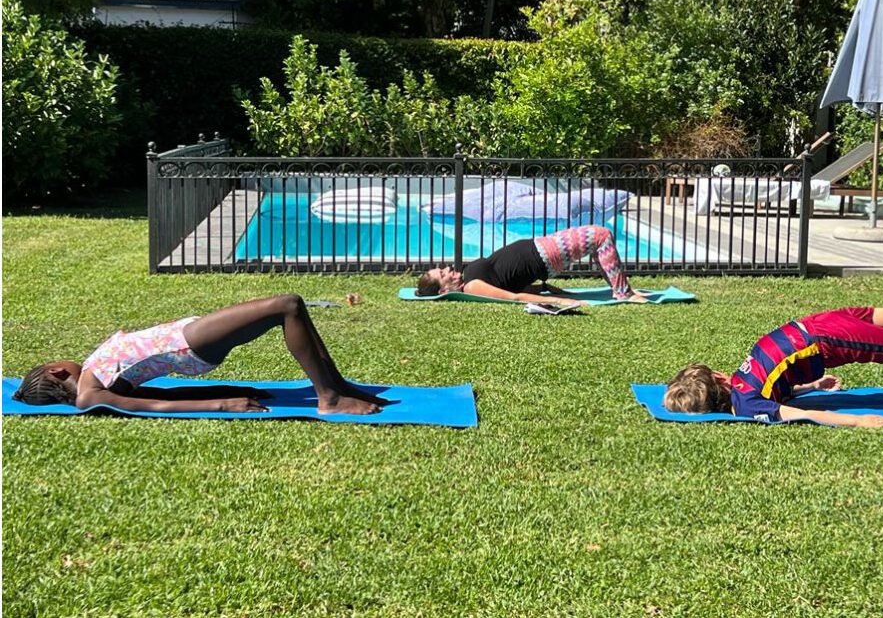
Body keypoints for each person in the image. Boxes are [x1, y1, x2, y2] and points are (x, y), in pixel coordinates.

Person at [12, 295, 388, 415]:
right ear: (58, 372)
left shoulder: (95, 382)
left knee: (293, 308)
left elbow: (158, 394)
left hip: (188, 339)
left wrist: (229, 387)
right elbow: (153, 409)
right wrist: (224, 404)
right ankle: (330, 398)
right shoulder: (89, 394)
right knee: (287, 305)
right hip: (189, 343)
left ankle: (335, 385)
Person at [662, 306, 883, 427]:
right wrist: (856, 420)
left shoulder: (745, 390)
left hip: (812, 326)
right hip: (820, 337)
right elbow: (795, 415)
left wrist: (809, 388)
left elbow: (777, 389)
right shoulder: (745, 401)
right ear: (719, 379)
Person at [416, 225, 647, 305]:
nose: (447, 268)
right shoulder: (472, 287)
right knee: (601, 236)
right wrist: (558, 301)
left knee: (598, 240)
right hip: (542, 256)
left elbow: (510, 284)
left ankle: (620, 289)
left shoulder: (468, 277)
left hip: (541, 248)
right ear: (444, 290)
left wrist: (541, 288)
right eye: (442, 273)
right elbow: (514, 298)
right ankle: (622, 293)